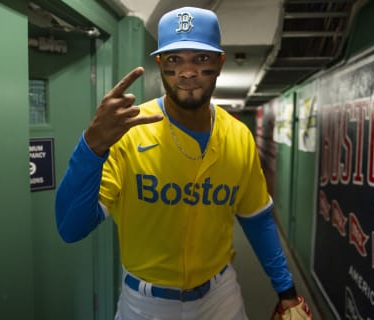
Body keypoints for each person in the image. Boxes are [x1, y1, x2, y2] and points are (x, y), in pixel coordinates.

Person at [55, 6, 312, 320]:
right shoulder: (130, 132)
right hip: (146, 302)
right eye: (174, 59)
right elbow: (71, 227)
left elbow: (256, 218)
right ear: (160, 65)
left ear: (219, 63)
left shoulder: (239, 137)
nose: (187, 72)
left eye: (201, 59)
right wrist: (91, 147)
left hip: (221, 296)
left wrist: (286, 291)